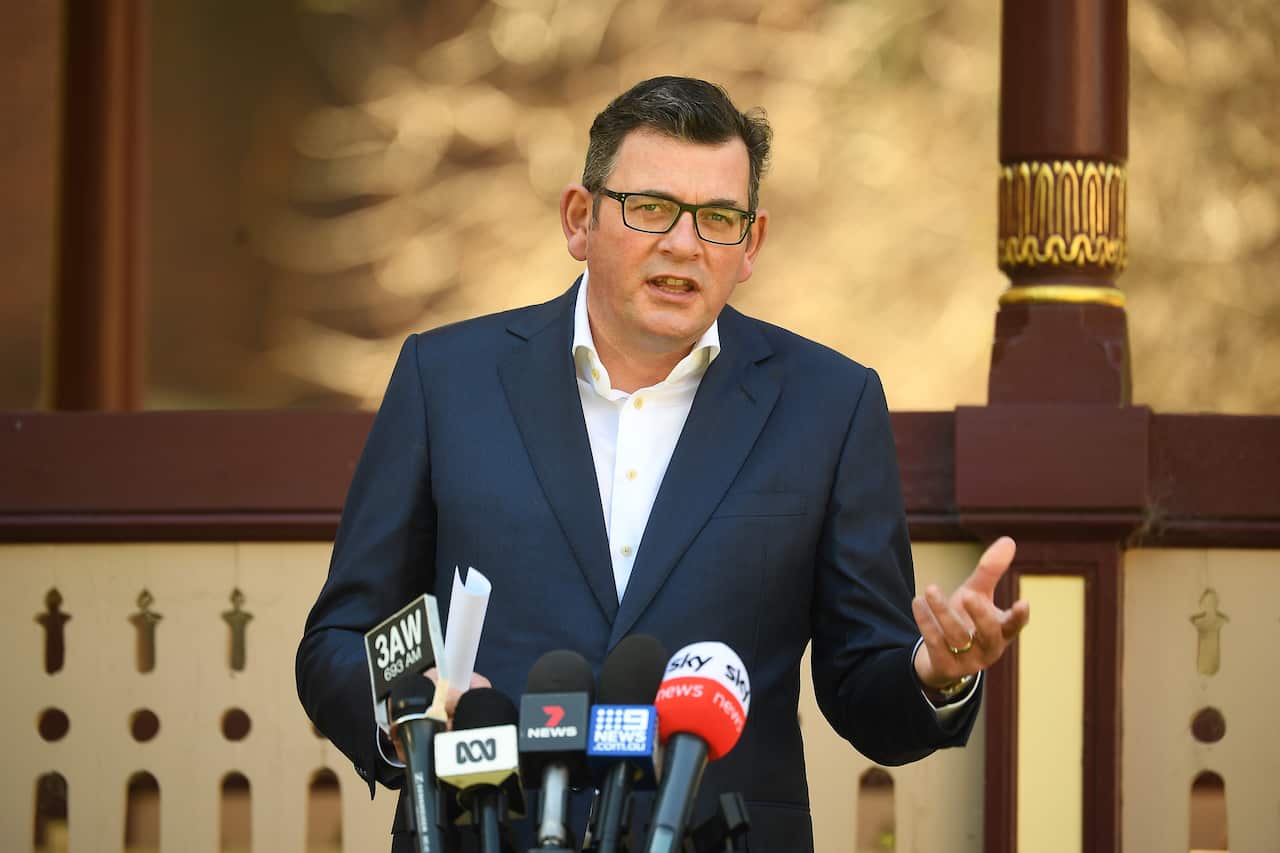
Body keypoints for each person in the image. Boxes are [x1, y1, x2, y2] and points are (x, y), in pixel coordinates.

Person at [296, 75, 1029, 852]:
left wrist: (936, 673)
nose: (684, 244)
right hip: (482, 831)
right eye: (650, 208)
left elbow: (864, 684)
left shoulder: (830, 404)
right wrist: (412, 713)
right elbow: (339, 639)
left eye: (718, 218)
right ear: (580, 219)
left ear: (751, 244)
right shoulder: (446, 379)